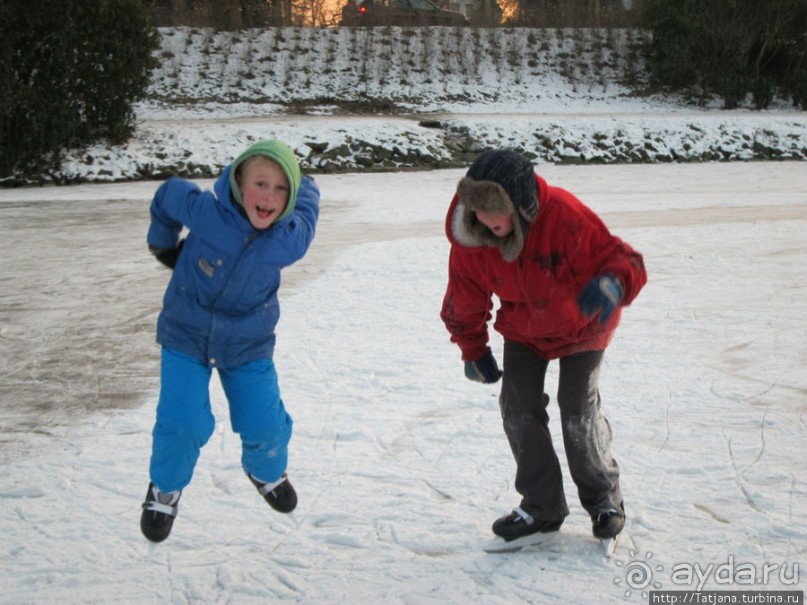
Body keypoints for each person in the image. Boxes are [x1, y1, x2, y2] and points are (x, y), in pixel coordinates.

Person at [440, 149, 646, 545]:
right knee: (517, 407)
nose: (485, 219)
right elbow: (464, 294)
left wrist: (613, 285)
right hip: (525, 327)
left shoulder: (564, 217)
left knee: (576, 408)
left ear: (522, 207)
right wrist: (473, 347)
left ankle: (605, 500)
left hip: (584, 322)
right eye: (478, 209)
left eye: (494, 210)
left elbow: (624, 259)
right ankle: (542, 506)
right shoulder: (472, 234)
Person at [140, 139, 320, 543]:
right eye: (261, 183)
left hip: (248, 341)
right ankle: (164, 489)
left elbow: (307, 212)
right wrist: (163, 242)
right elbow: (169, 193)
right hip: (186, 331)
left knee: (267, 423)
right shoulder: (207, 212)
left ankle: (266, 471)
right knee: (182, 421)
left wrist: (305, 183)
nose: (269, 197)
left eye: (281, 188)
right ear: (238, 182)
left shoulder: (288, 238)